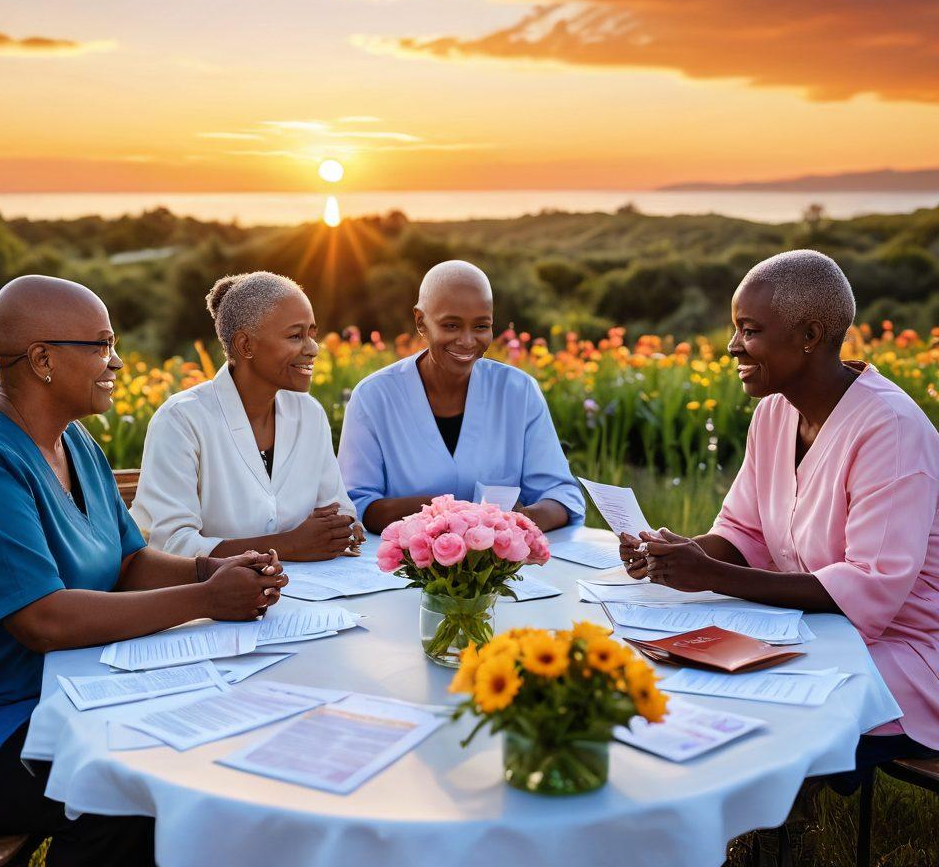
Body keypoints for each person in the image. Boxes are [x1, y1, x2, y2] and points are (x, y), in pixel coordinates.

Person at [0, 276, 287, 861]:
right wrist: (208, 601)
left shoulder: (73, 440)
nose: (116, 361)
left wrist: (207, 571)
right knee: (137, 784)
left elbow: (129, 561)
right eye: (101, 345)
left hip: (60, 692)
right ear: (41, 359)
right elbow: (43, 621)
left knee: (213, 727)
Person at [619, 250, 939, 782]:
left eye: (749, 330)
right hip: (812, 629)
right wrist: (680, 556)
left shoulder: (891, 430)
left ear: (810, 335)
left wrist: (713, 576)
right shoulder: (773, 412)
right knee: (677, 669)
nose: (732, 346)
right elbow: (742, 532)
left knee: (746, 708)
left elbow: (868, 591)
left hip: (900, 656)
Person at [338, 260, 584, 533]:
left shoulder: (519, 392)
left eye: (481, 327)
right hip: (401, 568)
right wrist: (449, 512)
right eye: (451, 326)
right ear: (421, 322)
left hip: (500, 564)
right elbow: (356, 504)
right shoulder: (374, 397)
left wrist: (516, 522)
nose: (467, 341)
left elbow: (561, 495)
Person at [134, 271, 362, 561]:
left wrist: (344, 528)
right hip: (213, 600)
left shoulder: (309, 413)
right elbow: (170, 545)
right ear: (246, 346)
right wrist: (287, 545)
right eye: (295, 336)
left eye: (312, 334)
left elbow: (338, 510)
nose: (313, 348)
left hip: (313, 594)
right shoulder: (181, 420)